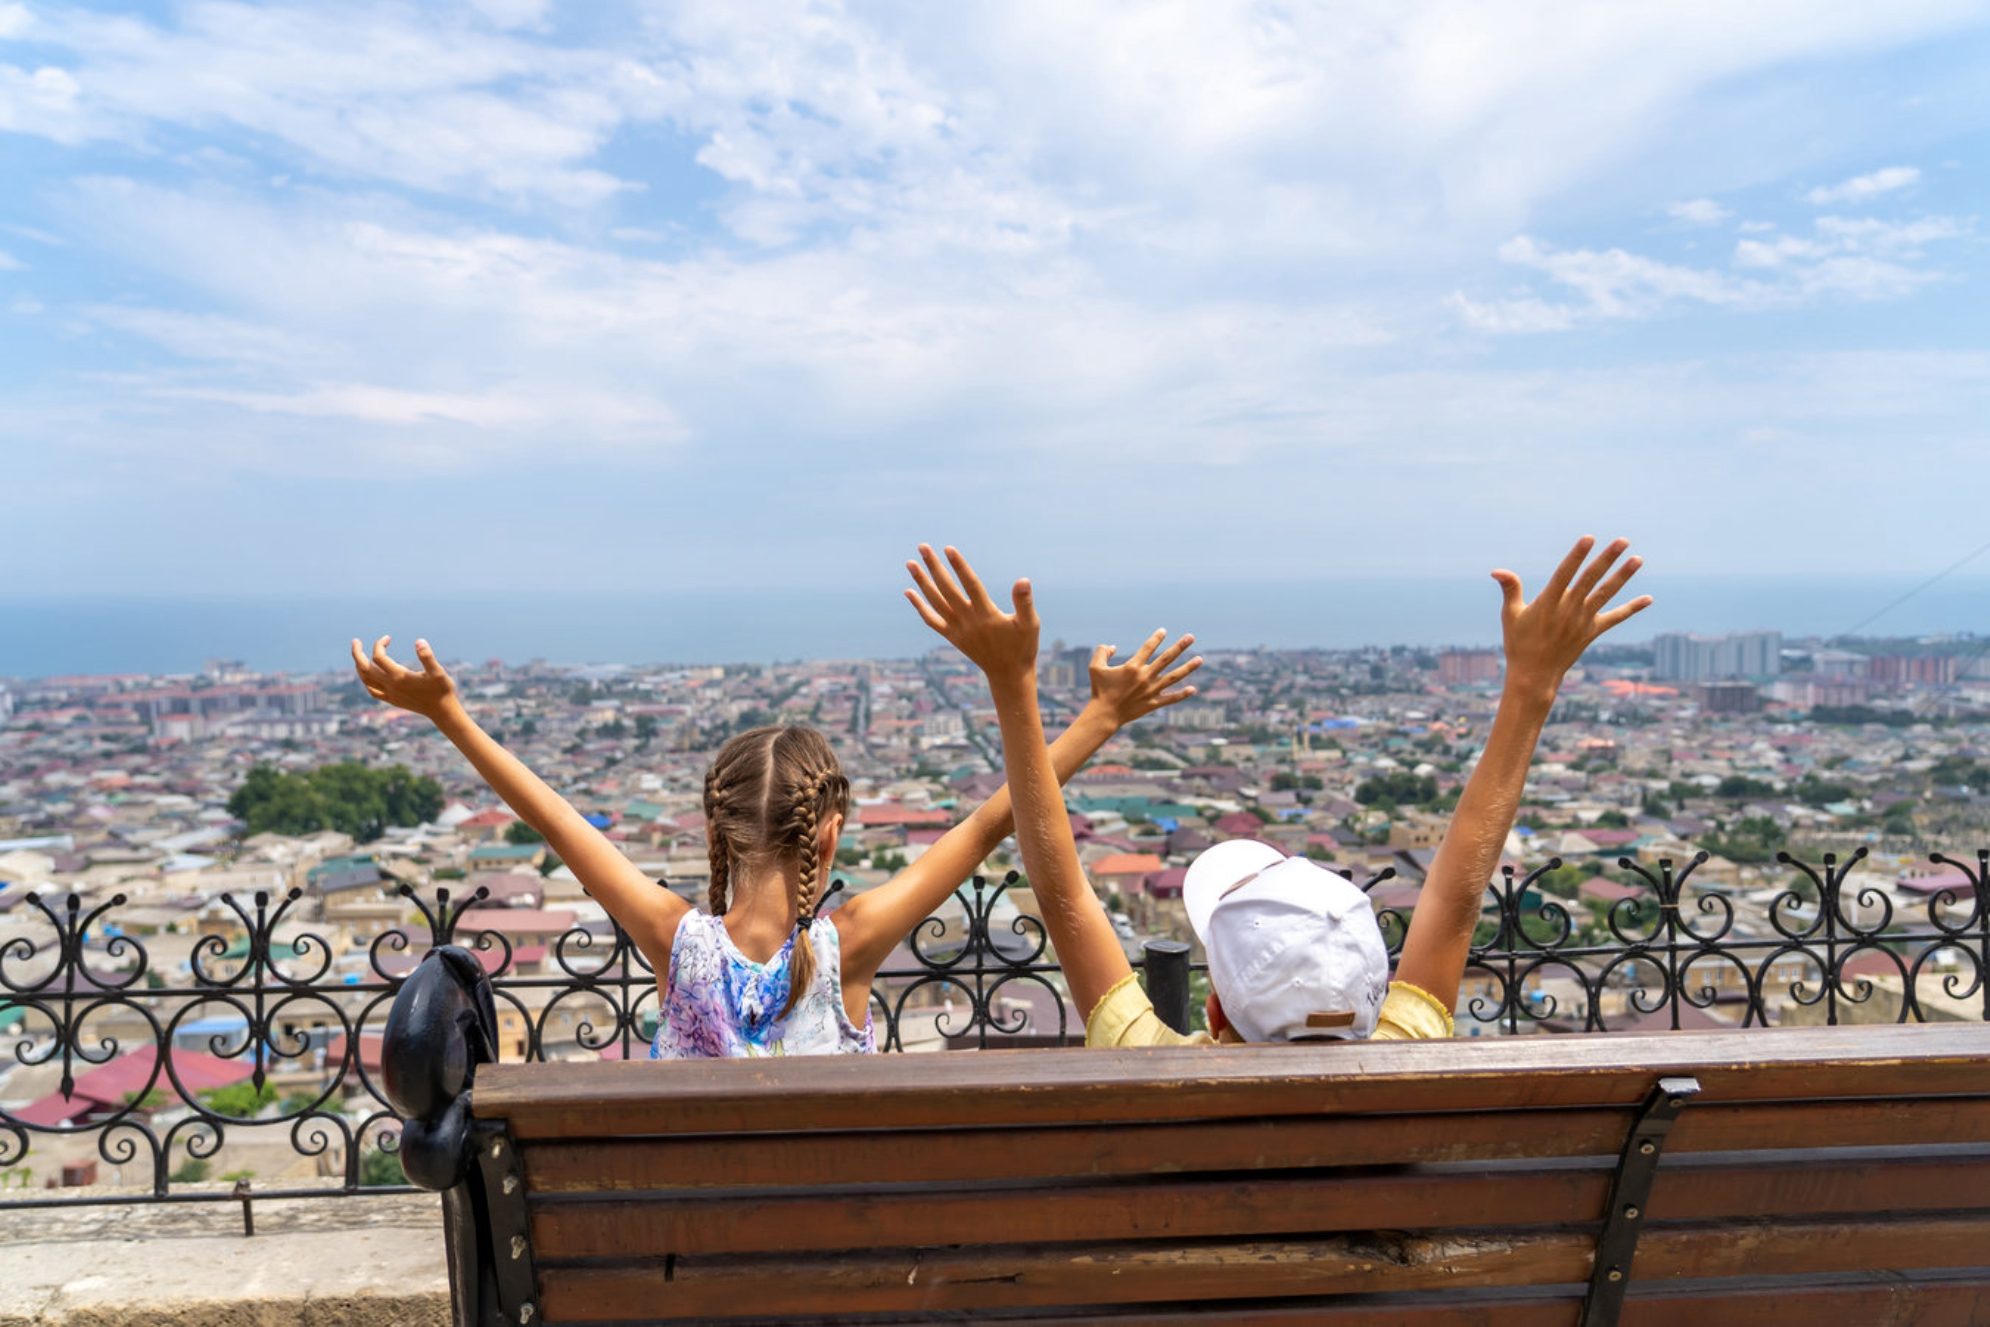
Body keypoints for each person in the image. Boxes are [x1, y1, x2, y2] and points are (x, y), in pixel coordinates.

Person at [348, 556, 1200, 1059]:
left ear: (713, 831)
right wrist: (1099, 716)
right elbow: (988, 824)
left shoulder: (675, 943)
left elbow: (555, 819)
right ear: (829, 834)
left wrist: (448, 713)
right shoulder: (850, 948)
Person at [905, 537, 1650, 1048]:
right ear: (1376, 997)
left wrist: (1013, 683)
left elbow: (1063, 894)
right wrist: (1533, 684)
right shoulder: (1403, 1055)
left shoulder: (1158, 1070)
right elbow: (1456, 898)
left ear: (1216, 1009)